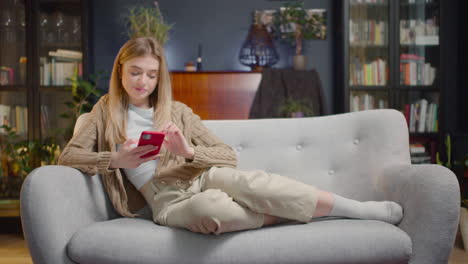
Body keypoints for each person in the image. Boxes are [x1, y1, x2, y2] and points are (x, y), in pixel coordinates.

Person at [58, 37, 403, 235]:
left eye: (151, 75)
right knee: (214, 213)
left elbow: (226, 155)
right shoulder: (101, 113)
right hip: (164, 201)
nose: (142, 82)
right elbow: (68, 157)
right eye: (135, 72)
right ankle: (296, 211)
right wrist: (116, 159)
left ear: (159, 77)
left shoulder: (177, 111)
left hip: (202, 176)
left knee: (255, 184)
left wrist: (188, 152)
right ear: (120, 69)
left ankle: (357, 209)